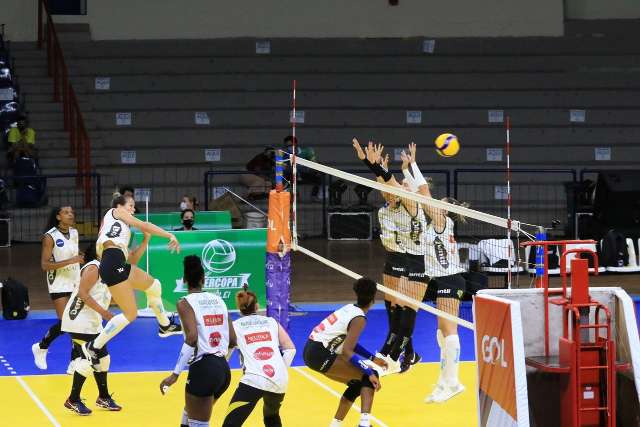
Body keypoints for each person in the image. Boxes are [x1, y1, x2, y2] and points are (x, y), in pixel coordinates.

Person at [79, 193, 182, 367]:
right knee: (130, 314)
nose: (133, 209)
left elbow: (131, 261)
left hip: (115, 264)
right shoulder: (115, 212)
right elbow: (144, 224)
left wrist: (146, 240)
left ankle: (165, 325)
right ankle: (93, 346)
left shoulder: (122, 229)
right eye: (131, 205)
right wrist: (169, 235)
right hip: (111, 262)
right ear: (119, 206)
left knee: (154, 286)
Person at [353, 140, 427, 374]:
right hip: (395, 256)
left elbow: (391, 184)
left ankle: (392, 355)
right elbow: (387, 187)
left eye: (406, 184)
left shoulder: (412, 202)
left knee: (404, 310)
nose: (402, 186)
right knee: (394, 309)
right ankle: (404, 353)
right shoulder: (394, 203)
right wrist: (372, 165)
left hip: (413, 259)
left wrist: (373, 164)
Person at [402, 143, 467, 403]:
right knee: (441, 333)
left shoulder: (442, 221)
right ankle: (443, 382)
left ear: (445, 210)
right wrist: (406, 172)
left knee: (449, 331)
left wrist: (412, 166)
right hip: (441, 280)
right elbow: (421, 195)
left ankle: (453, 382)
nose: (434, 206)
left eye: (439, 204)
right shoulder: (435, 223)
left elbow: (424, 192)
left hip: (451, 279)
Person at [60, 235, 149, 415]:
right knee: (89, 358)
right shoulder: (94, 267)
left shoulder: (110, 268)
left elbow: (132, 262)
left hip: (92, 322)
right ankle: (73, 399)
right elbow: (83, 294)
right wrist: (106, 313)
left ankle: (103, 397)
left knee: (104, 359)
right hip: (78, 320)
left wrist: (146, 241)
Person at [160, 255, 235, 427]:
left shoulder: (184, 303)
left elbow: (192, 337)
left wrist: (175, 374)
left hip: (203, 370)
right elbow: (232, 340)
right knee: (189, 415)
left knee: (197, 423)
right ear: (204, 279)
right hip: (223, 371)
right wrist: (219, 364)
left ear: (185, 279)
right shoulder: (219, 300)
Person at [303, 277, 386, 427]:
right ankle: (364, 424)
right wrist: (369, 370)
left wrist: (372, 358)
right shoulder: (359, 318)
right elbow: (347, 351)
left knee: (356, 384)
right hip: (320, 353)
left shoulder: (349, 308)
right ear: (374, 297)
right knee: (369, 378)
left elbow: (349, 344)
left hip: (311, 351)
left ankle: (335, 425)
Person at [222, 287, 296, 427]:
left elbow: (225, 355)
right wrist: (280, 369)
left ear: (239, 309)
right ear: (257, 306)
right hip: (279, 381)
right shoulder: (271, 322)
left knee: (230, 424)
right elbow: (291, 349)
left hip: (253, 380)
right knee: (271, 417)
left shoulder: (235, 326)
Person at [32, 206, 83, 373]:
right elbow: (44, 265)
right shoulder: (50, 237)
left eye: (72, 212)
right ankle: (41, 347)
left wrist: (83, 258)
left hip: (75, 281)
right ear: (58, 216)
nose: (70, 214)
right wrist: (71, 260)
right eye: (66, 212)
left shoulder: (74, 233)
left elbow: (75, 254)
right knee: (66, 323)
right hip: (59, 282)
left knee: (76, 322)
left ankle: (75, 361)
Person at [283, 135, 322, 202]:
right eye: (287, 146)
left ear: (295, 144)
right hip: (294, 176)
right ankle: (295, 196)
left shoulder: (307, 151)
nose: (289, 148)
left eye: (290, 145)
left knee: (319, 176)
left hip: (306, 174)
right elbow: (284, 168)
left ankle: (314, 196)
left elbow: (314, 162)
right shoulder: (286, 156)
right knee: (288, 176)